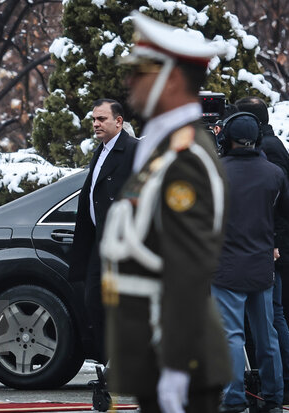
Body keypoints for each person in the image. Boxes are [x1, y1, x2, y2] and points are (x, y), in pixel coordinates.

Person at [99, 12, 231, 413]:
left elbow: (188, 267)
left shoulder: (184, 157)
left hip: (177, 361)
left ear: (171, 80)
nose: (129, 82)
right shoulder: (161, 148)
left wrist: (175, 370)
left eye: (141, 73)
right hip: (152, 352)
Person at [211, 112, 289, 413]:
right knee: (267, 337)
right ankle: (274, 397)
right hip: (262, 267)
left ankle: (234, 398)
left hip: (224, 268)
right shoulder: (273, 173)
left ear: (226, 139)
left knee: (231, 337)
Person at [235, 96, 289, 406]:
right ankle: (284, 381)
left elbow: (276, 201)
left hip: (267, 247)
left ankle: (288, 381)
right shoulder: (269, 144)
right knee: (270, 317)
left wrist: (274, 242)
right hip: (266, 244)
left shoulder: (269, 149)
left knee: (272, 317)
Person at [68, 98, 138, 365]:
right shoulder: (101, 150)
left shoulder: (133, 150)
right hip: (99, 241)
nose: (96, 124)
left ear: (118, 121)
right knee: (94, 301)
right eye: (94, 119)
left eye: (102, 119)